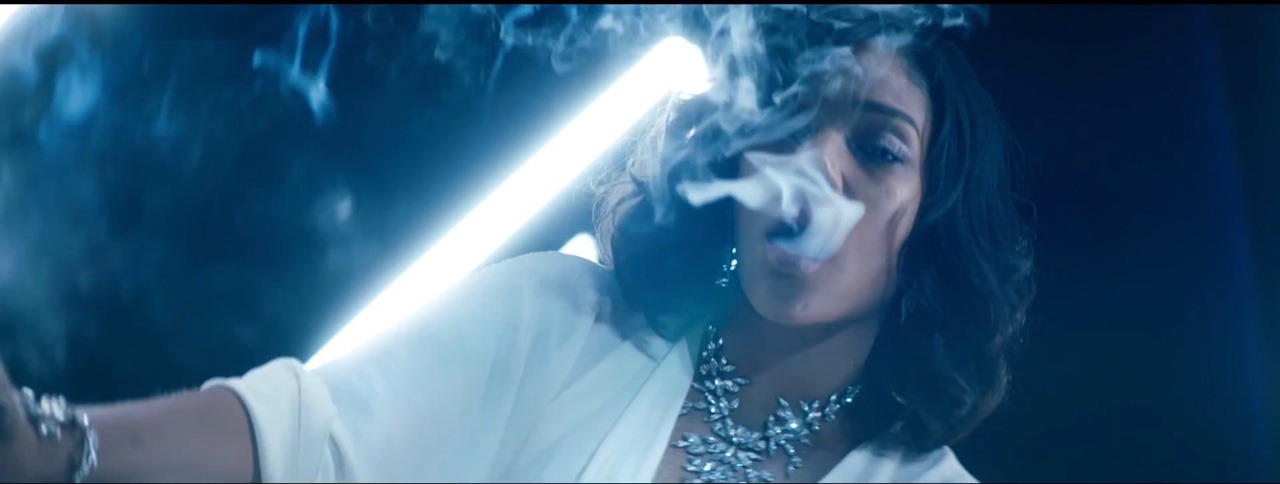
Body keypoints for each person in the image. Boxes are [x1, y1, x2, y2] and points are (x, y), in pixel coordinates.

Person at [0, 17, 1034, 484]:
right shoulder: (566, 324)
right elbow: (301, 434)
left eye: (875, 147)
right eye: (787, 122)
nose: (813, 165)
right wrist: (50, 445)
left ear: (935, 221)